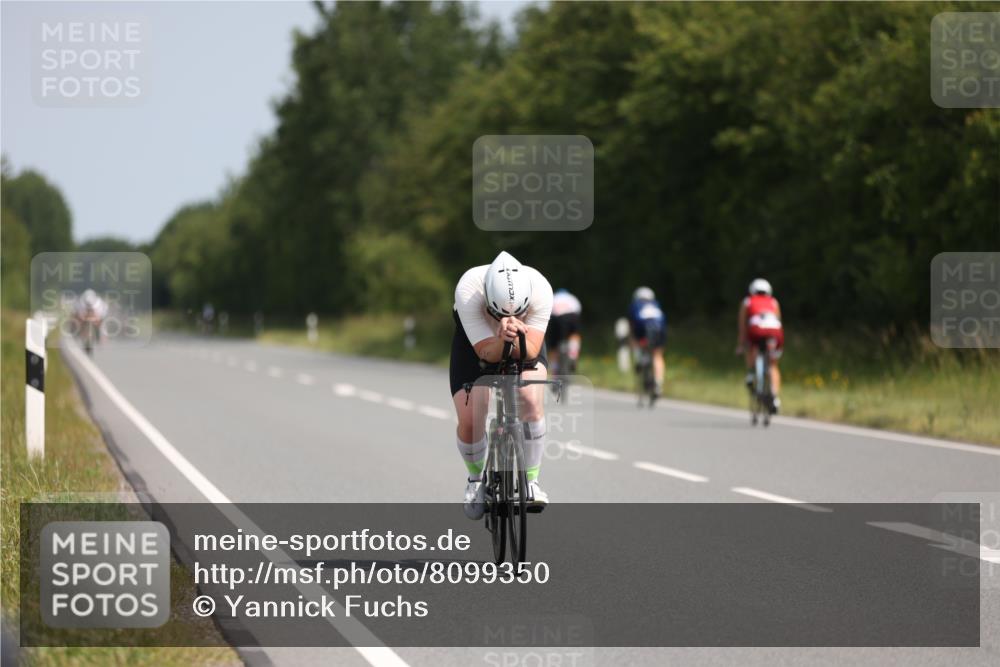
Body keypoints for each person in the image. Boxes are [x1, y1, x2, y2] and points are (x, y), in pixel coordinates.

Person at [451, 251, 553, 519]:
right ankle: (475, 481)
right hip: (478, 341)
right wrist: (501, 338)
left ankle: (531, 480)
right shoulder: (469, 289)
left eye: (519, 310)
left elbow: (531, 350)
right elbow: (486, 354)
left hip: (525, 337)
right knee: (472, 414)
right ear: (487, 302)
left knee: (530, 400)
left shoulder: (540, 288)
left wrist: (515, 335)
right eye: (498, 312)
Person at [737, 278, 784, 413]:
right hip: (774, 331)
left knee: (751, 346)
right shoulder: (774, 302)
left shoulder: (747, 301)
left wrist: (741, 344)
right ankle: (775, 397)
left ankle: (752, 373)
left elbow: (743, 326)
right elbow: (778, 321)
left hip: (756, 329)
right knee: (773, 365)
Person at [627, 286, 666, 397]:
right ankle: (658, 384)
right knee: (657, 355)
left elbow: (631, 325)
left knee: (637, 341)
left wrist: (632, 340)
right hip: (659, 328)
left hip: (641, 327)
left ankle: (640, 358)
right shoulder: (656, 304)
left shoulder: (635, 305)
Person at [545, 288, 582, 375]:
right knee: (574, 334)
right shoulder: (572, 298)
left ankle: (554, 366)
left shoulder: (554, 297)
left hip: (556, 318)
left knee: (553, 344)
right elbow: (578, 311)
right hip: (572, 316)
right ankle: (573, 353)